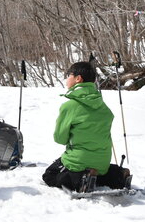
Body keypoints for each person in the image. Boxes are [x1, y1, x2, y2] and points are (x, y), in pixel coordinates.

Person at [42, 61, 130, 192]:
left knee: (50, 175)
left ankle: (82, 178)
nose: (67, 79)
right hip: (102, 162)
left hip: (78, 160)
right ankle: (117, 175)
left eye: (69, 75)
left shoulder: (69, 106)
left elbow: (60, 139)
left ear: (78, 78)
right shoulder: (103, 106)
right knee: (100, 174)